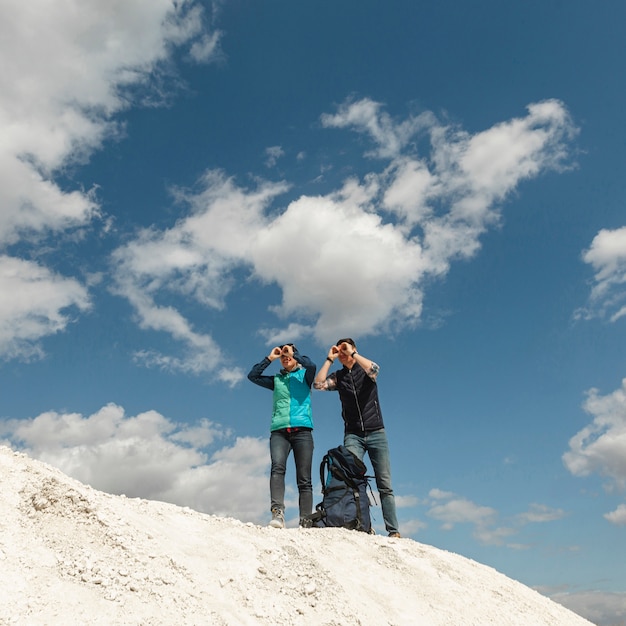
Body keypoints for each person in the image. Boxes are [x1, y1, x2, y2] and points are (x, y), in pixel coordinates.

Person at [314, 338, 400, 537]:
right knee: (351, 479)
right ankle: (361, 523)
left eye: (345, 349)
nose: (342, 354)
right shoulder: (339, 376)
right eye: (340, 351)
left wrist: (352, 353)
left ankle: (393, 531)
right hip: (353, 435)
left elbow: (375, 369)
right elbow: (318, 385)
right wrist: (330, 358)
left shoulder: (366, 371)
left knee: (384, 484)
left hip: (376, 432)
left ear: (354, 350)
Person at [248, 343, 317, 529]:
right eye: (283, 356)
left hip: (302, 431)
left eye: (288, 355)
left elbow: (311, 366)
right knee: (277, 469)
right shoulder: (276, 380)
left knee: (304, 478)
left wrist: (293, 352)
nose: (285, 357)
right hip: (279, 431)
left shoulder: (305, 376)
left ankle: (305, 520)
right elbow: (252, 376)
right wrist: (270, 358)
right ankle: (277, 513)